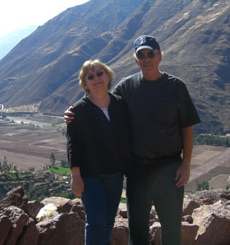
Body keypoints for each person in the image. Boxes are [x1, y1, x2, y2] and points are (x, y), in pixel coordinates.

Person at [65, 35, 200, 245]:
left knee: (172, 224)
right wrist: (72, 113)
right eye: (141, 55)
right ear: (136, 60)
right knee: (137, 227)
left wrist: (186, 163)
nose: (146, 59)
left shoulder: (176, 87)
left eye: (150, 54)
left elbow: (187, 128)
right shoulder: (127, 87)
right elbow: (100, 98)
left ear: (159, 56)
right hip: (138, 169)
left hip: (170, 167)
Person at [66, 59, 131, 245]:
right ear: (85, 83)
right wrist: (75, 176)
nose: (96, 78)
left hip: (115, 175)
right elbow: (73, 145)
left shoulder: (120, 104)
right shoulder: (78, 111)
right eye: (90, 76)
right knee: (96, 222)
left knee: (109, 221)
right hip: (90, 177)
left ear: (108, 76)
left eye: (100, 73)